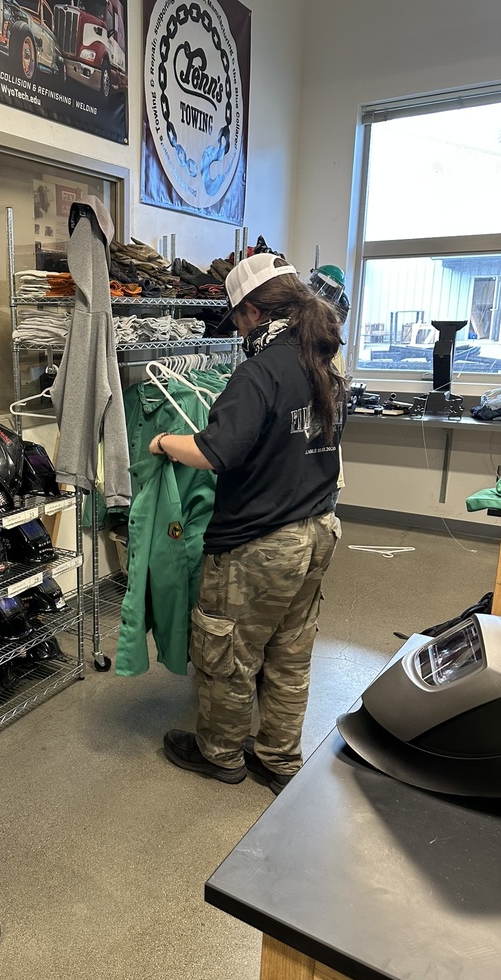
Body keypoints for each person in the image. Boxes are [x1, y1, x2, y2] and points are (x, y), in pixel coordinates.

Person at [151, 252, 347, 794]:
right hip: (317, 529)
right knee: (288, 650)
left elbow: (218, 452)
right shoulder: (322, 362)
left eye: (237, 318)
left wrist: (166, 442)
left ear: (252, 313)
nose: (236, 329)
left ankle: (219, 753)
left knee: (230, 651)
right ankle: (279, 757)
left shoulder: (258, 371)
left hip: (261, 541)